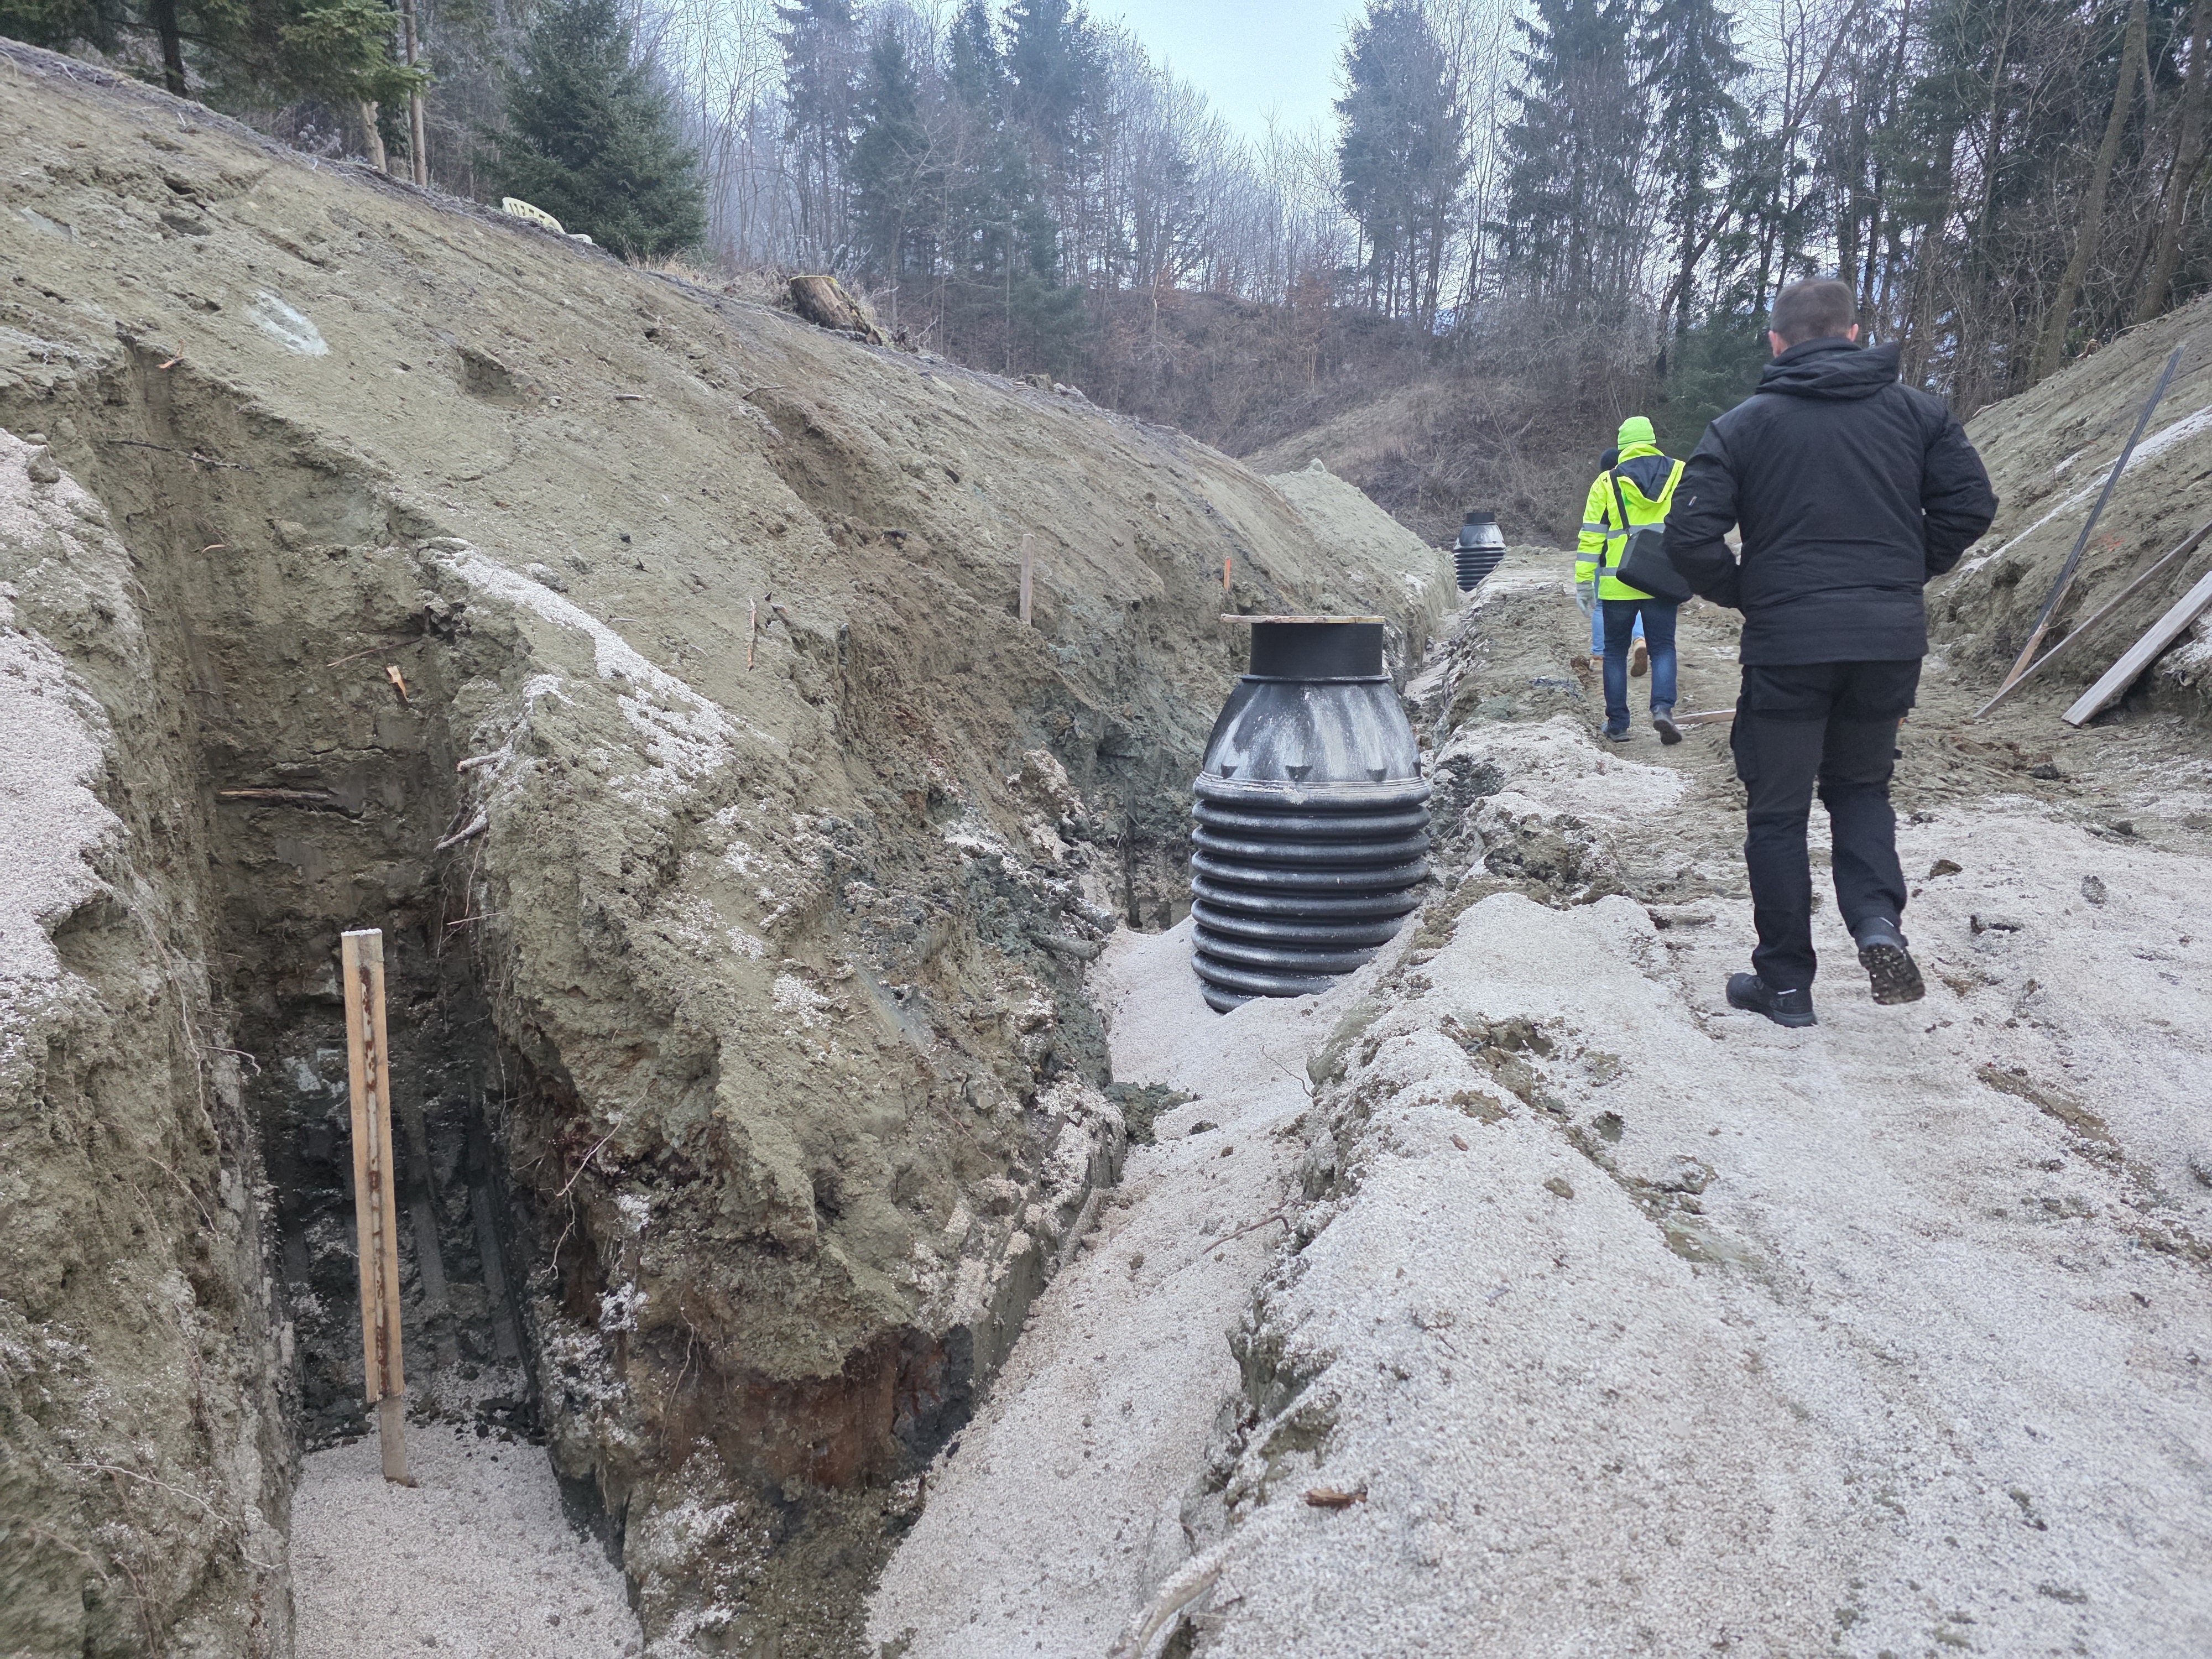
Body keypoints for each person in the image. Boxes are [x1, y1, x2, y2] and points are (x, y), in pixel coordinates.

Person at [1663, 277, 1997, 1028]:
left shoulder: (1742, 427)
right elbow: (1971, 504)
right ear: (1853, 334)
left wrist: (1748, 590)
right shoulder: (1920, 415)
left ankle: (1784, 985)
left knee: (1777, 816)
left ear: (1776, 343)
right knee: (1861, 789)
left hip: (1788, 644)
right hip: (1887, 642)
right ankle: (1877, 923)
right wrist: (1901, 573)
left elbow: (1688, 535)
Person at [1574, 416, 1683, 744]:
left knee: (1614, 651)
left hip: (1617, 582)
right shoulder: (1681, 472)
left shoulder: (1607, 483)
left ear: (1622, 446)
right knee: (1663, 648)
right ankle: (1663, 709)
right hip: (1662, 581)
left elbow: (1591, 538)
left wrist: (1582, 582)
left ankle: (1619, 724)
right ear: (1652, 440)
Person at [1583, 447, 1647, 677]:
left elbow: (1592, 531)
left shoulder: (1602, 489)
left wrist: (1585, 570)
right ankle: (1639, 640)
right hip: (1633, 557)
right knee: (1637, 602)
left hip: (1606, 558)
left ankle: (1598, 657)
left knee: (1600, 606)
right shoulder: (1635, 489)